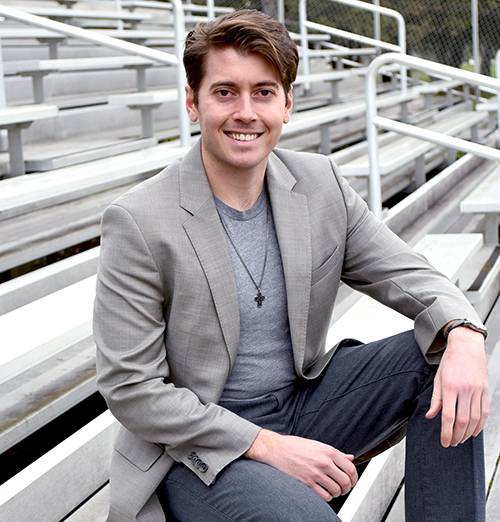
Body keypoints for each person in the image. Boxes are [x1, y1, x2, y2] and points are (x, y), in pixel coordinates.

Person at [93, 9, 489, 522]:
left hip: (304, 405)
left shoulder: (320, 184)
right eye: (224, 92)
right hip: (198, 451)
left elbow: (409, 273)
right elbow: (132, 389)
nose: (245, 111)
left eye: (263, 92)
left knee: (441, 360)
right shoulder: (140, 220)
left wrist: (463, 332)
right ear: (193, 102)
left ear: (287, 104)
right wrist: (267, 445)